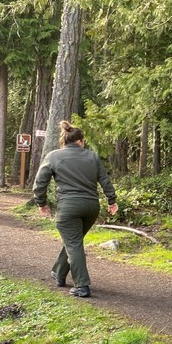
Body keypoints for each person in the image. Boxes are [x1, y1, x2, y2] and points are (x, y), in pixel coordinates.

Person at [33, 121, 119, 299]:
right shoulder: (92, 156)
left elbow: (40, 182)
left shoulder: (54, 156)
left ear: (65, 140)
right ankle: (59, 272)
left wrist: (41, 203)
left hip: (69, 207)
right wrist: (112, 200)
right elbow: (104, 180)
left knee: (73, 244)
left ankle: (82, 285)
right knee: (74, 242)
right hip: (91, 207)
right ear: (80, 141)